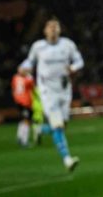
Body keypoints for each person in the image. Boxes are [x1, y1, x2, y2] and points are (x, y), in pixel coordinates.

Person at [19, 18, 83, 171]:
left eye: (56, 27)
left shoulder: (68, 44)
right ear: (45, 31)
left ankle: (40, 129)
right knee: (59, 126)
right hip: (47, 91)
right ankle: (67, 159)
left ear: (60, 30)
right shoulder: (38, 47)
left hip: (64, 89)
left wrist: (73, 68)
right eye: (50, 27)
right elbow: (30, 62)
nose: (53, 29)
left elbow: (80, 61)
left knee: (62, 125)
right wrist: (23, 67)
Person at [11, 71, 34, 147]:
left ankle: (19, 137)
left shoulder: (15, 78)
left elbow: (13, 88)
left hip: (18, 101)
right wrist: (30, 77)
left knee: (22, 120)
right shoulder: (27, 79)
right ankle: (24, 140)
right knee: (26, 121)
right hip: (25, 102)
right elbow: (32, 85)